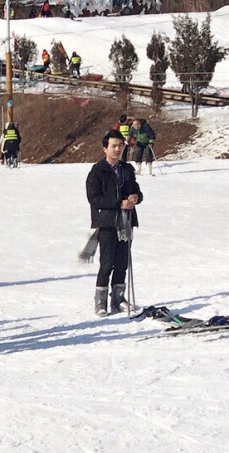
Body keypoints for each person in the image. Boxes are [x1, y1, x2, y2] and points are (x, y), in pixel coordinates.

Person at [86, 130, 143, 315]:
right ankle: (100, 301)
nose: (118, 149)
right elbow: (94, 198)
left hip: (126, 222)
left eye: (120, 145)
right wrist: (118, 203)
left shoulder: (126, 169)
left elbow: (137, 191)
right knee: (107, 263)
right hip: (107, 223)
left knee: (122, 262)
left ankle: (118, 299)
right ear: (105, 148)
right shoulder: (98, 171)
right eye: (114, 146)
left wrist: (135, 197)